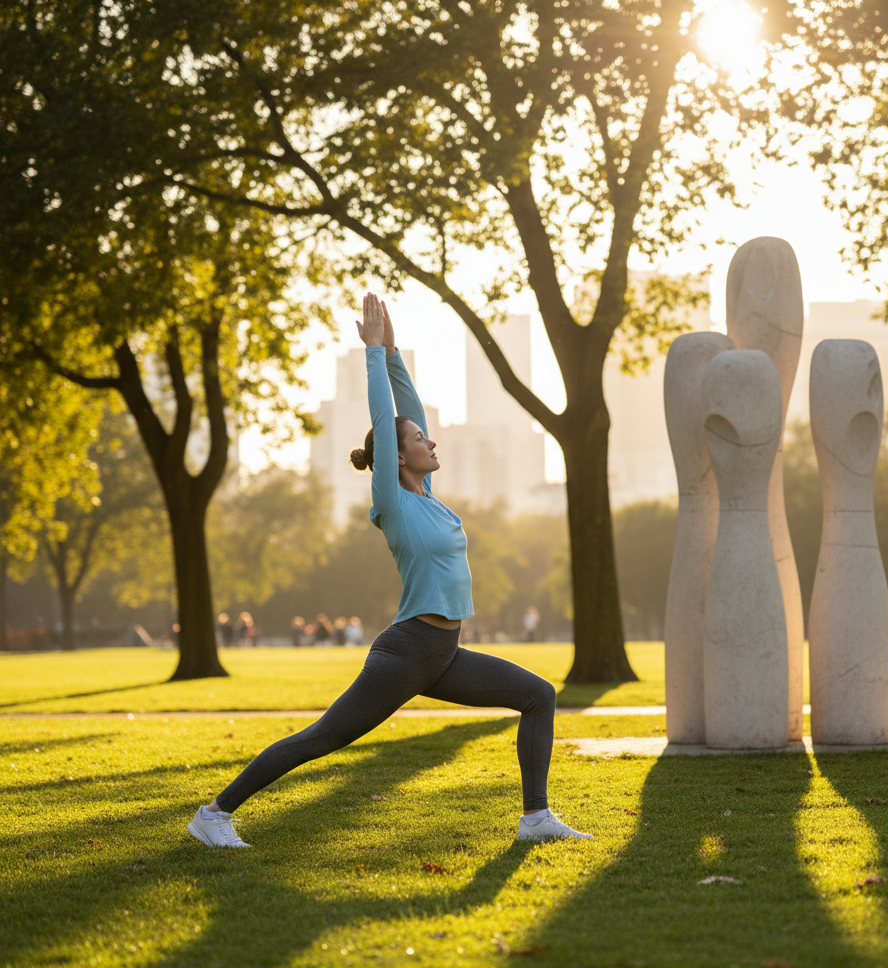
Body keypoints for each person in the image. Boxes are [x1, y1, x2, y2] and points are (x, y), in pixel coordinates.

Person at [188, 293, 591, 849]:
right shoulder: (393, 503)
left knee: (538, 695)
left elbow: (408, 411)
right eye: (419, 440)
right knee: (321, 739)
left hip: (443, 655)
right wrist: (373, 354)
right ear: (398, 458)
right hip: (407, 653)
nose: (430, 438)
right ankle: (215, 813)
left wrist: (396, 352)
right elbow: (387, 417)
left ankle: (535, 818)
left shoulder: (428, 495)